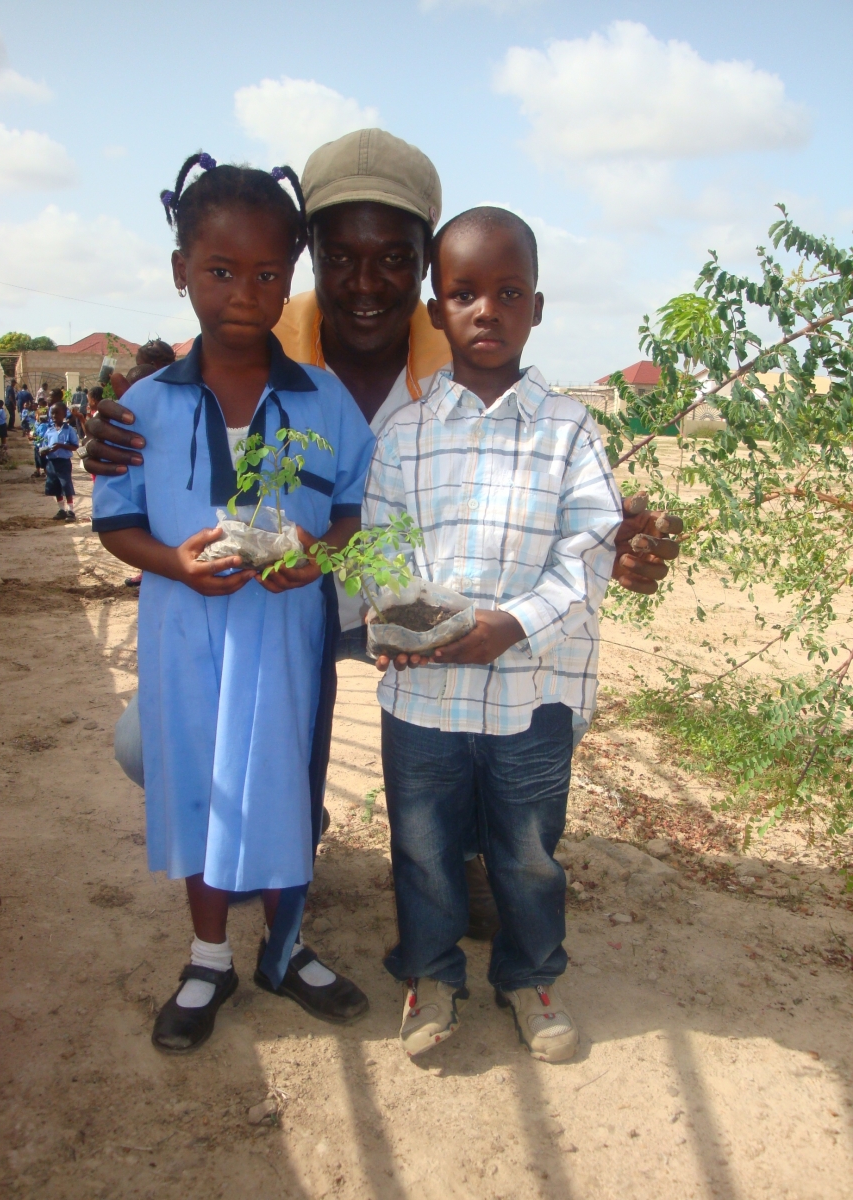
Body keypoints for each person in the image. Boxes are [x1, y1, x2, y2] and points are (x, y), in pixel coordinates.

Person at [83, 129, 682, 968]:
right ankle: (281, 824)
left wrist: (619, 540)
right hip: (276, 612)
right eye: (340, 258)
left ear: (428, 270)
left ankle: (471, 842)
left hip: (404, 609)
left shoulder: (465, 358)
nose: (366, 284)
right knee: (144, 743)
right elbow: (167, 428)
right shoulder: (262, 334)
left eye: (397, 259)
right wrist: (108, 436)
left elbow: (545, 502)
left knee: (513, 673)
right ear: (309, 257)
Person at [91, 152, 375, 1054]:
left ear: (289, 278)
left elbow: (352, 509)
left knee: (286, 787)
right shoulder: (143, 406)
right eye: (220, 271)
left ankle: (285, 950)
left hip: (285, 636)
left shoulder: (324, 399)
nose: (244, 294)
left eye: (265, 274)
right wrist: (172, 564)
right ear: (182, 271)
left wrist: (318, 558)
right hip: (183, 637)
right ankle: (208, 956)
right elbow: (116, 522)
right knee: (196, 786)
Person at [366, 207, 621, 1061]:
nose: (487, 311)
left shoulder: (569, 430)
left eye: (509, 293)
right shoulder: (404, 437)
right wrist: (395, 617)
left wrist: (514, 623)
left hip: (532, 693)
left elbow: (591, 550)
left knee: (528, 852)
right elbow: (381, 548)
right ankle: (431, 974)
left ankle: (531, 976)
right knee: (424, 846)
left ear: (536, 308)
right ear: (435, 310)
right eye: (465, 293)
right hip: (424, 697)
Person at [39, 399, 79, 520]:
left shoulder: (69, 430)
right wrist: (43, 451)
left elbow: (75, 446)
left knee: (66, 485)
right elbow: (44, 444)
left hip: (63, 462)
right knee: (55, 485)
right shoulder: (49, 430)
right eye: (52, 413)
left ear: (64, 414)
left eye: (57, 413)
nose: (54, 416)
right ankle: (61, 509)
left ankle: (71, 510)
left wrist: (61, 446)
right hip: (52, 462)